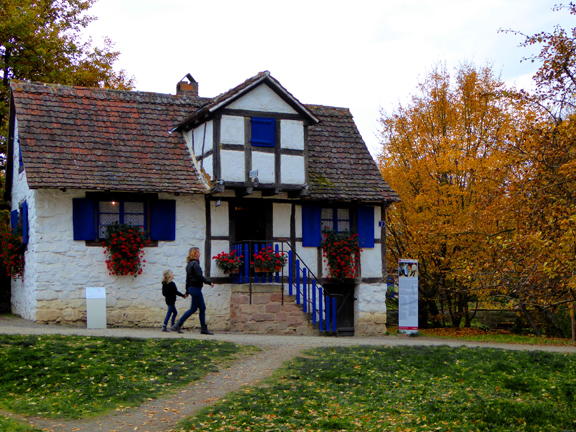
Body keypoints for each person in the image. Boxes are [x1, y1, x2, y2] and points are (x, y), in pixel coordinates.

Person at [171, 247, 215, 335]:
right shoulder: (195, 264)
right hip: (195, 289)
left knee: (202, 308)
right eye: (198, 252)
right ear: (194, 254)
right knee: (193, 309)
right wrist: (209, 282)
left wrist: (187, 291)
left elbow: (187, 279)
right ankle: (177, 325)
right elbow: (199, 276)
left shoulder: (189, 264)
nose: (200, 253)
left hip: (192, 288)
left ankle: (203, 329)